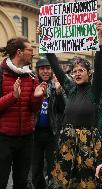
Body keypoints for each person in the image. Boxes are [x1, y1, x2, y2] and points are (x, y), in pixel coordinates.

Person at [45, 21, 102, 188]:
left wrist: (99, 38)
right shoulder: (70, 88)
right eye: (75, 71)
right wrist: (43, 38)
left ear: (89, 73)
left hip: (88, 140)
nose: (77, 73)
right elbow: (56, 67)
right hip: (67, 138)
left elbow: (98, 60)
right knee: (62, 179)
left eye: (81, 70)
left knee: (87, 180)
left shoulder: (95, 90)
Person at [0, 37, 47, 189]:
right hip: (3, 138)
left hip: (26, 138)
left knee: (21, 182)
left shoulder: (31, 76)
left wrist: (37, 97)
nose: (32, 54)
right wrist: (13, 97)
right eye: (30, 51)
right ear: (19, 52)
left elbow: (33, 109)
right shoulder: (1, 73)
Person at [32, 58, 65, 189]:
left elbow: (62, 109)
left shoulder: (56, 85)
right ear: (38, 71)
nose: (45, 71)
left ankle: (52, 186)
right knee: (35, 167)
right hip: (35, 133)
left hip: (52, 133)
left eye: (48, 68)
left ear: (51, 70)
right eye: (42, 69)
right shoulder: (33, 85)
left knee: (52, 166)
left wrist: (58, 93)